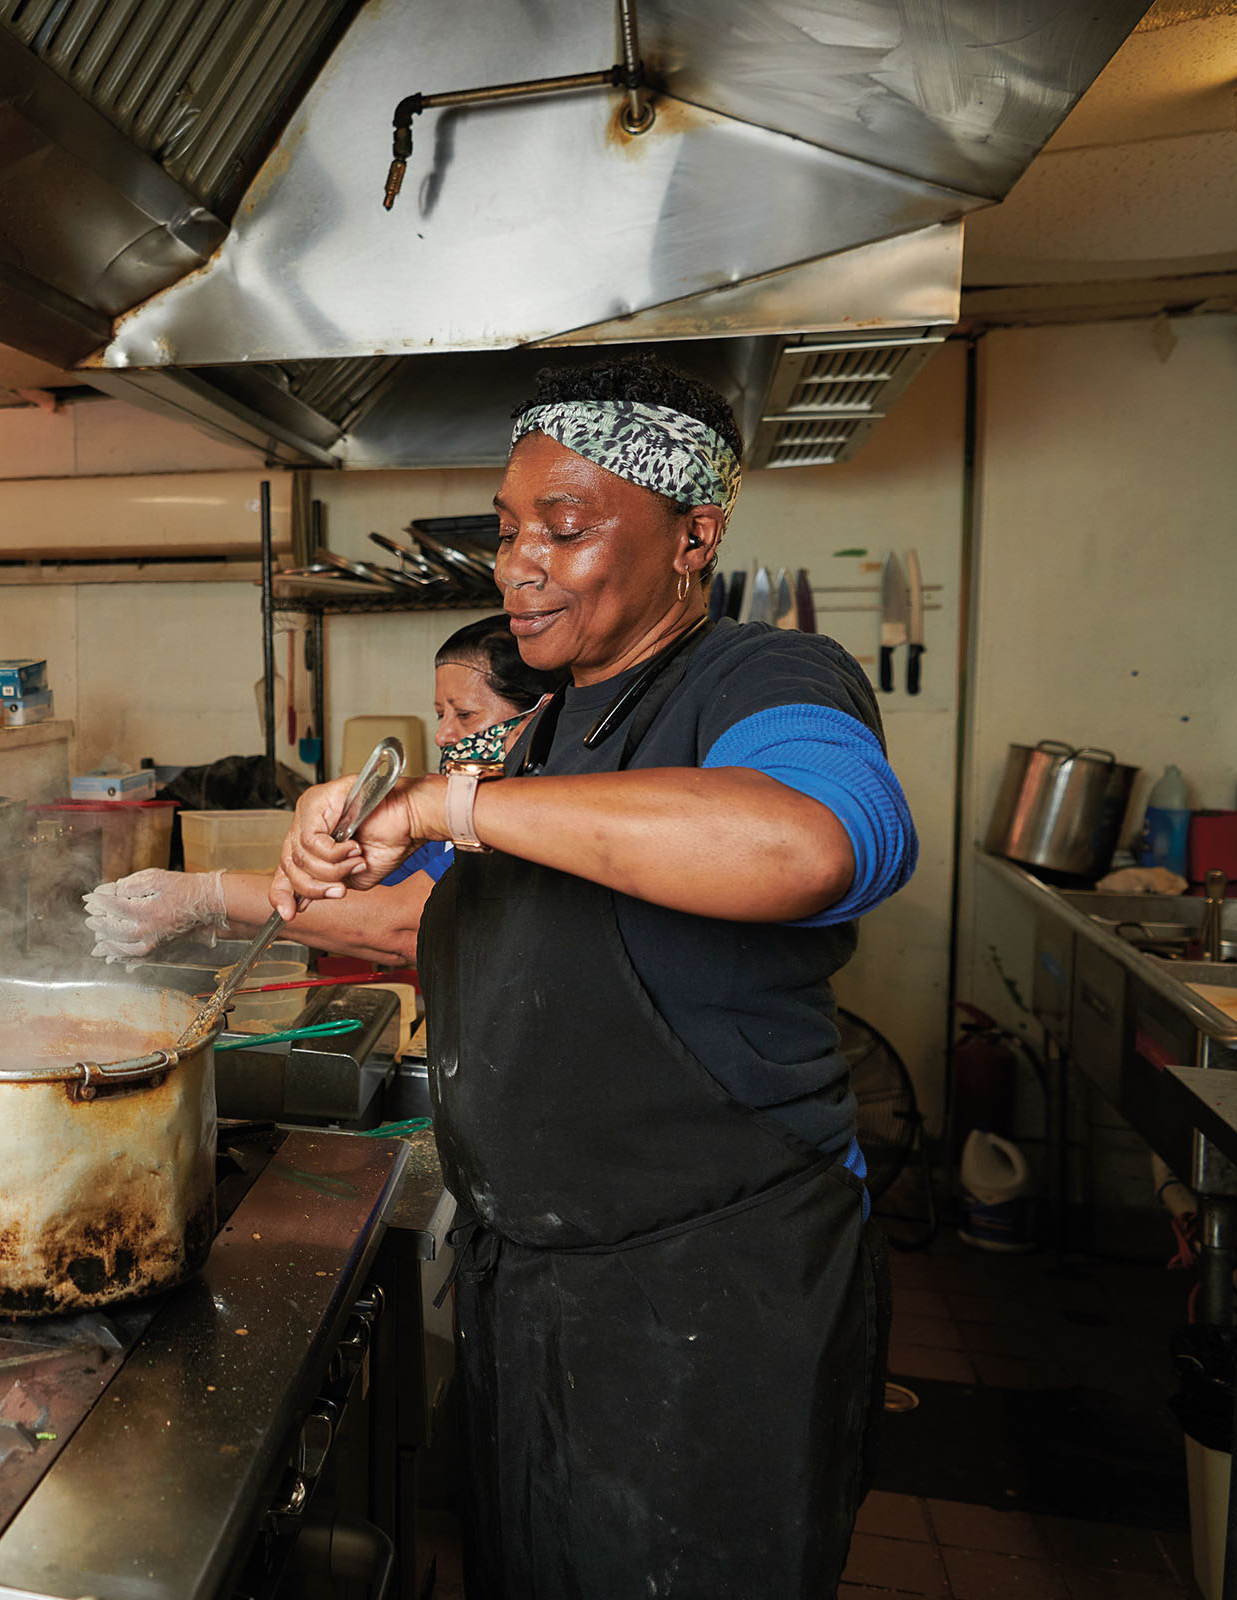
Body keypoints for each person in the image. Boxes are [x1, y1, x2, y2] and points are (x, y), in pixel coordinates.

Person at [272, 354, 917, 1598]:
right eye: (510, 531)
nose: (520, 563)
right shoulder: (551, 730)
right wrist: (341, 837)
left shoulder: (760, 678)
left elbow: (810, 843)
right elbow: (449, 915)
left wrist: (456, 799)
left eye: (564, 530)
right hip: (539, 1278)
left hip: (713, 1297)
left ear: (695, 536)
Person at [82, 615, 562, 964]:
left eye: (465, 715)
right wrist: (202, 919)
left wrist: (207, 895)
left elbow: (398, 924)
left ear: (539, 712)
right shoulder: (449, 815)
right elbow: (337, 897)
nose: (443, 735)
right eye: (441, 714)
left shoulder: (535, 812)